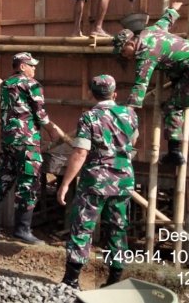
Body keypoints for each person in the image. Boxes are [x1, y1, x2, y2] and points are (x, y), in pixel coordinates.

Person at [56, 75, 139, 290]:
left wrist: (65, 183)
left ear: (92, 94)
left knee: (83, 227)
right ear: (115, 94)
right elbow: (133, 141)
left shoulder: (89, 118)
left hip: (96, 181)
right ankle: (114, 280)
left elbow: (81, 152)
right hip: (123, 180)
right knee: (118, 228)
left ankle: (71, 280)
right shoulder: (130, 114)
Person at [112, 2, 189, 166]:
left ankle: (175, 154)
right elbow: (166, 20)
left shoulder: (145, 54)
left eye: (124, 52)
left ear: (130, 43)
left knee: (173, 107)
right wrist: (174, 8)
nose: (125, 57)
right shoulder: (151, 31)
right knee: (174, 78)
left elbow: (141, 84)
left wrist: (130, 107)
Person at [0, 52, 58, 245]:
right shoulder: (31, 84)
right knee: (29, 182)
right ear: (22, 66)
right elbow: (40, 114)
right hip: (26, 139)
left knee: (4, 178)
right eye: (31, 65)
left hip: (9, 139)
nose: (34, 69)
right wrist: (52, 131)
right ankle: (22, 230)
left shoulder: (6, 84)